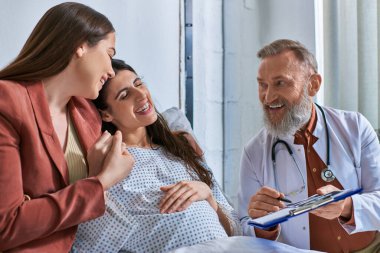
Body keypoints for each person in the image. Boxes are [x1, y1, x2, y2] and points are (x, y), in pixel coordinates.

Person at [0, 3, 134, 252]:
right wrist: (101, 182)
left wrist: (92, 178)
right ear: (81, 45)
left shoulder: (87, 115)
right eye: (109, 53)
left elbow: (79, 208)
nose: (110, 71)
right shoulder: (7, 101)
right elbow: (6, 225)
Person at [71, 59, 241, 253]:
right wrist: (97, 179)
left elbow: (237, 228)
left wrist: (209, 197)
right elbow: (88, 248)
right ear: (106, 115)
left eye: (138, 83)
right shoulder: (113, 164)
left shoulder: (181, 148)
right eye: (124, 95)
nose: (141, 94)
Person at [238, 39, 380, 252]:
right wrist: (263, 225)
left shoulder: (355, 127)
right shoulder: (254, 152)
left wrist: (347, 206)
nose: (268, 97)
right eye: (262, 85)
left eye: (280, 83)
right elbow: (242, 227)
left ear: (312, 84)